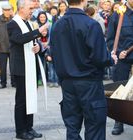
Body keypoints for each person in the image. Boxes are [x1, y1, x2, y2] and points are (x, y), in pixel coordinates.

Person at [50, 0, 117, 139]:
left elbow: (54, 55)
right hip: (89, 83)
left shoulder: (57, 25)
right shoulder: (91, 24)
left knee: (72, 128)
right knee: (94, 127)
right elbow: (100, 58)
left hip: (67, 83)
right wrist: (111, 59)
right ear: (84, 1)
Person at [7, 0, 48, 139]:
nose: (32, 11)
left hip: (31, 65)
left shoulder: (29, 23)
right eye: (30, 8)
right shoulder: (12, 24)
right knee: (22, 101)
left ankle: (29, 128)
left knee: (31, 98)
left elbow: (32, 41)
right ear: (21, 9)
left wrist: (38, 47)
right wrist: (38, 32)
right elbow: (19, 39)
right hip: (20, 68)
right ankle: (20, 131)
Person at [107, 0, 133, 135]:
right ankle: (119, 121)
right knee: (119, 89)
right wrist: (117, 52)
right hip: (123, 59)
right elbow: (110, 38)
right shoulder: (117, 15)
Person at [0, 3, 15, 88]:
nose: (7, 12)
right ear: (2, 11)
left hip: (13, 47)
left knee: (13, 66)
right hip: (1, 47)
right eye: (5, 10)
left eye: (9, 10)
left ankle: (14, 82)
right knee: (2, 67)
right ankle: (3, 83)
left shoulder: (14, 20)